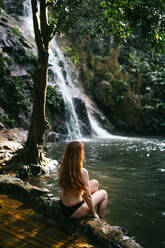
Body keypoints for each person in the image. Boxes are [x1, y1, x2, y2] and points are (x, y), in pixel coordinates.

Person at [59, 141, 108, 221]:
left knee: (95, 183)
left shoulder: (63, 167)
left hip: (63, 205)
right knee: (104, 193)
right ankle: (101, 221)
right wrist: (93, 213)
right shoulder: (82, 172)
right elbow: (88, 196)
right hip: (75, 210)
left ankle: (83, 202)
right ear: (80, 154)